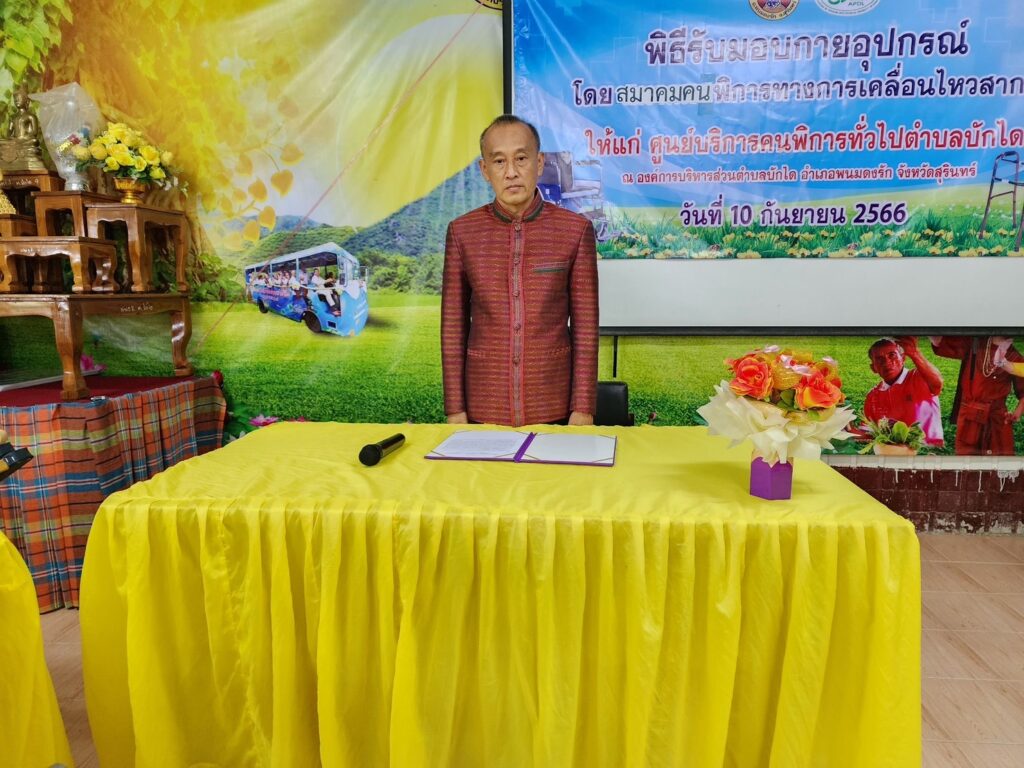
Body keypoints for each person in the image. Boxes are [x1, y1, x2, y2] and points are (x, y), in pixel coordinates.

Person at [441, 114, 598, 427]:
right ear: (485, 170)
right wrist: (455, 409)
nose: (511, 172)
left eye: (521, 159)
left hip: (552, 403)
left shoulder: (575, 230)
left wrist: (582, 408)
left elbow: (586, 329)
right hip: (484, 404)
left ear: (539, 163)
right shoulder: (462, 232)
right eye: (499, 161)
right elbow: (453, 327)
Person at [931, 335, 1024, 455]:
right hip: (969, 416)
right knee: (967, 461)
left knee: (1000, 461)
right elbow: (940, 343)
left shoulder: (1015, 356)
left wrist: (1017, 412)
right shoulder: (974, 343)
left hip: (997, 418)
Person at [863, 336, 945, 447]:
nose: (887, 362)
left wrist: (915, 353)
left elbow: (937, 384)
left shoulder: (919, 376)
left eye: (892, 355)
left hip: (928, 450)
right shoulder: (872, 396)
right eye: (880, 359)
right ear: (873, 368)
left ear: (903, 358)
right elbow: (869, 433)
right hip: (893, 453)